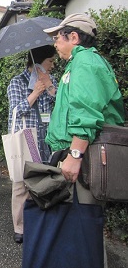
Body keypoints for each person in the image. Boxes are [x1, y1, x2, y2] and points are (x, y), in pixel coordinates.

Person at [41, 13, 125, 263]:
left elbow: (86, 113)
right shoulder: (79, 63)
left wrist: (75, 155)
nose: (55, 44)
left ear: (74, 37)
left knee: (85, 223)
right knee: (80, 224)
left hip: (85, 155)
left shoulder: (85, 63)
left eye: (58, 38)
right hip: (80, 153)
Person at [7, 45, 57, 243]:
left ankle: (42, 223)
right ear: (38, 64)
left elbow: (61, 104)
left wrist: (50, 86)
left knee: (46, 181)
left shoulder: (50, 81)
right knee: (21, 185)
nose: (52, 65)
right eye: (50, 61)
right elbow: (16, 111)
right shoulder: (17, 82)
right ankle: (20, 227)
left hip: (47, 138)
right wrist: (35, 92)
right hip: (27, 137)